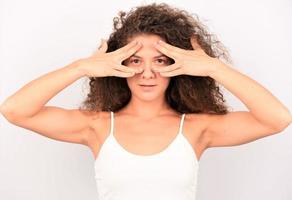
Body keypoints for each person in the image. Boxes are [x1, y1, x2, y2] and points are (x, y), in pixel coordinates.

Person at [1, 2, 291, 200]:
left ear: (178, 64)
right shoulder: (97, 126)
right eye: (135, 60)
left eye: (161, 60)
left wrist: (213, 68)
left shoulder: (196, 128)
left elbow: (277, 118)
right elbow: (15, 110)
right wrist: (81, 67)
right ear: (118, 65)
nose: (147, 73)